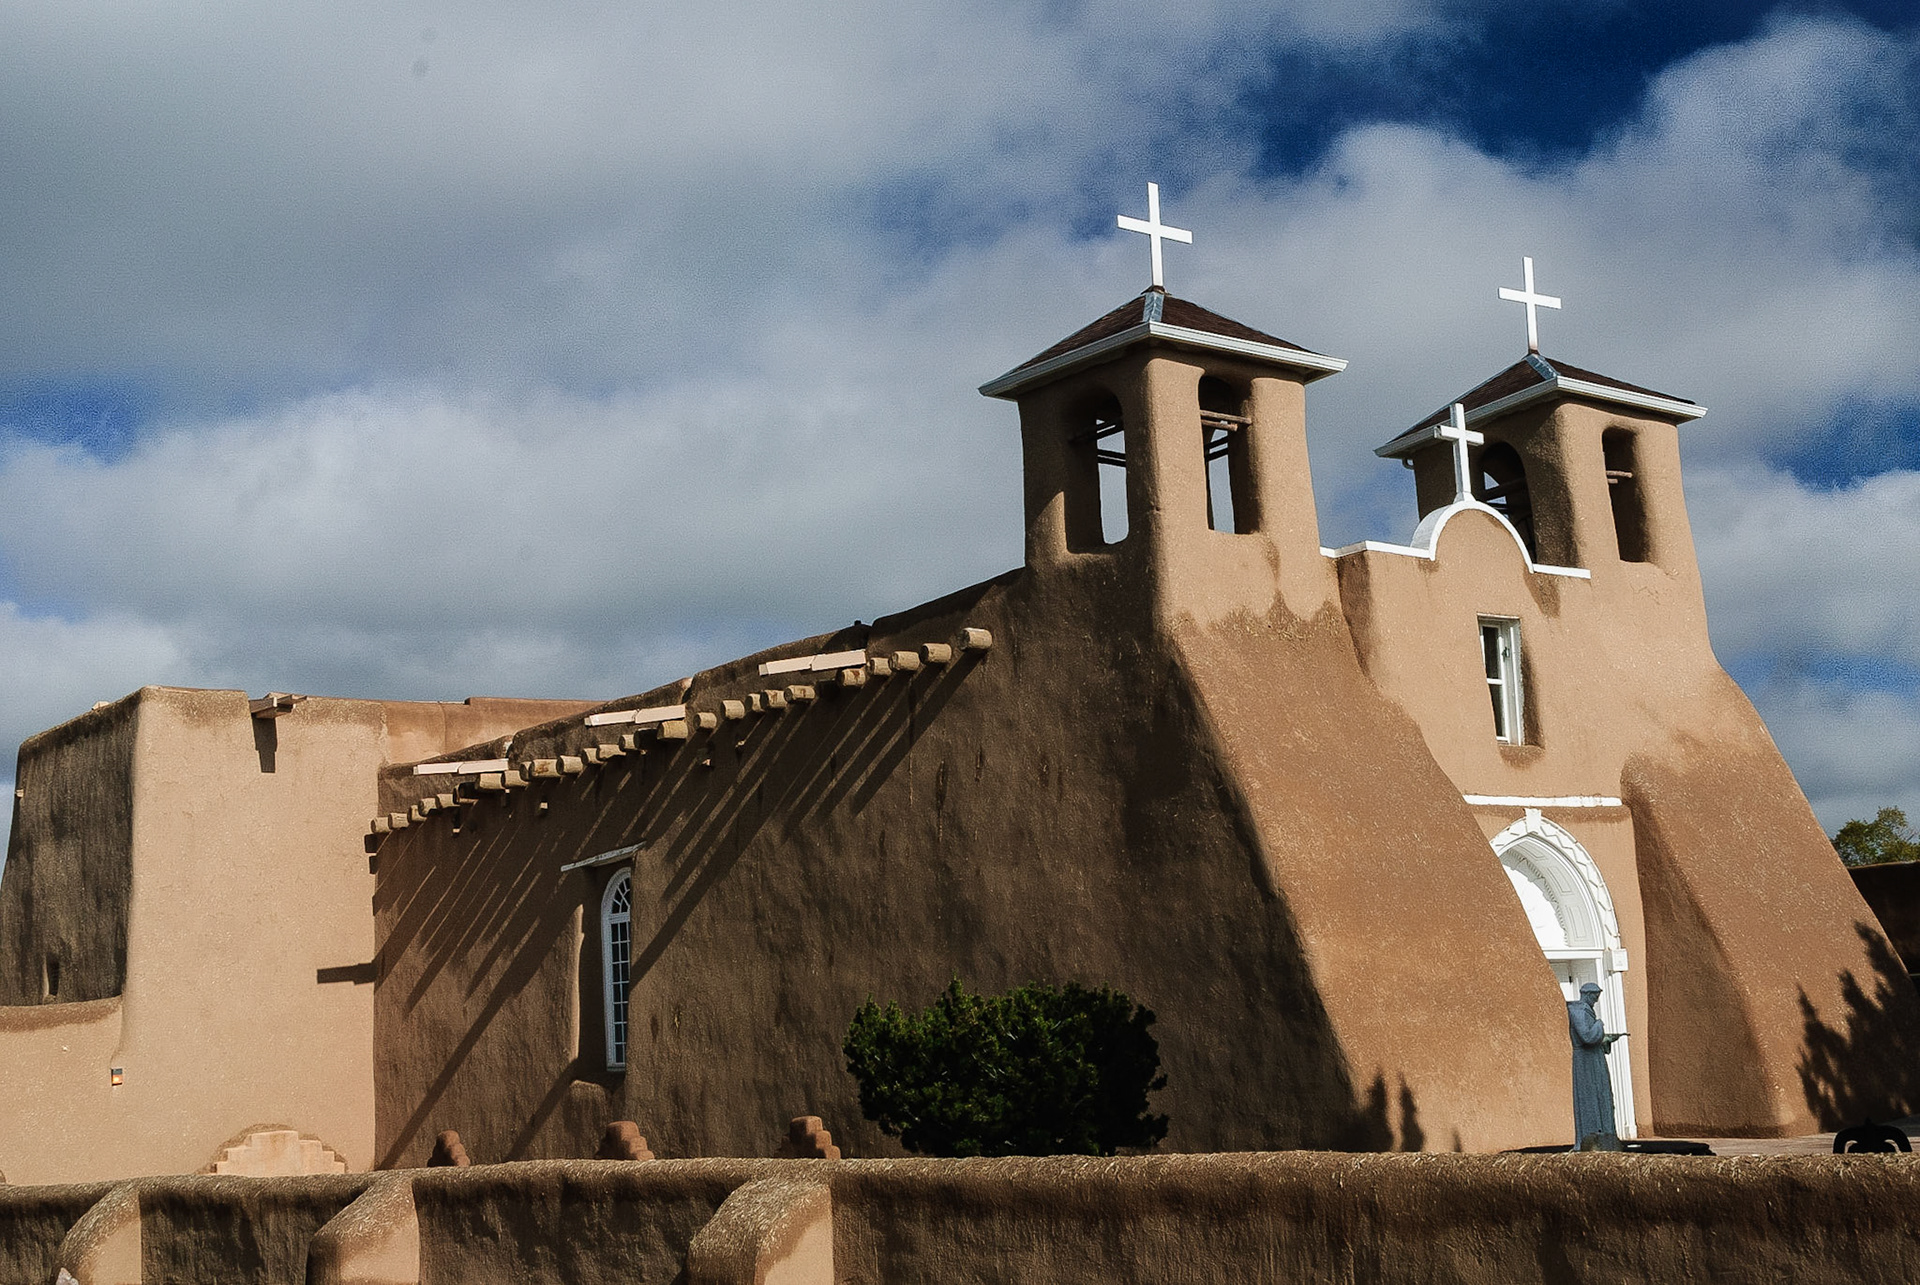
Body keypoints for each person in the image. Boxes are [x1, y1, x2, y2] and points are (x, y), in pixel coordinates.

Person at [1569, 982, 1622, 1150]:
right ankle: (1590, 1139)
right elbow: (1587, 1037)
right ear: (1587, 994)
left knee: (1601, 1095)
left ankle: (1605, 1137)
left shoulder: (1585, 1011)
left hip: (1593, 1058)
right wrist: (1599, 1024)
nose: (1596, 1000)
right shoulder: (1578, 1011)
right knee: (1590, 1097)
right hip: (1586, 1061)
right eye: (1595, 997)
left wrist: (1605, 1039)